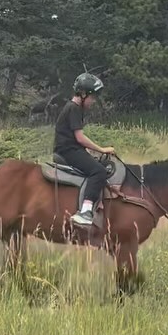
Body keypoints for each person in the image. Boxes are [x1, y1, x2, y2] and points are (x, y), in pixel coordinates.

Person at [53, 72, 115, 228]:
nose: (93, 101)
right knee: (98, 171)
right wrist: (101, 149)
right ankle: (85, 212)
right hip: (67, 152)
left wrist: (89, 153)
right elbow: (80, 138)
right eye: (92, 97)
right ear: (82, 94)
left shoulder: (75, 108)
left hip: (72, 149)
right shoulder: (73, 108)